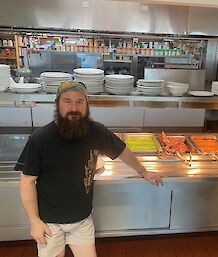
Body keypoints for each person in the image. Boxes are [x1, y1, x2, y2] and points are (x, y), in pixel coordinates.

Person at [16, 81, 163, 257]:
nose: (74, 107)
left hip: (82, 220)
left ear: (87, 105)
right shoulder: (40, 139)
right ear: (57, 104)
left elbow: (122, 151)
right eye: (67, 101)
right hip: (50, 222)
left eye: (80, 101)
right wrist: (34, 221)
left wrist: (143, 171)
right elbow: (27, 181)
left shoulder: (96, 131)